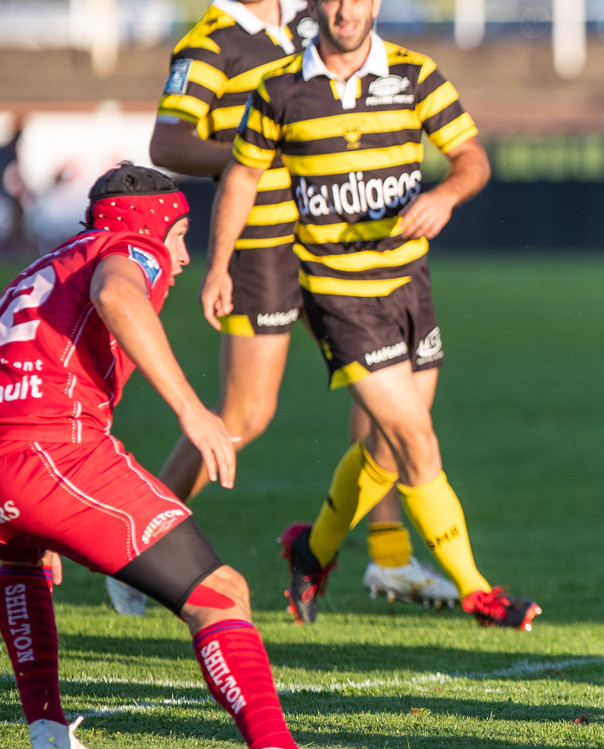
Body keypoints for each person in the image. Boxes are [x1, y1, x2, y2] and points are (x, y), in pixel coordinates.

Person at [0, 162, 356, 749]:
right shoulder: (131, 245)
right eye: (181, 234)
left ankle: (50, 740)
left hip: (15, 454)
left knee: (19, 567)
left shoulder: (45, 265)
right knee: (220, 594)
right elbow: (117, 294)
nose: (184, 256)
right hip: (55, 449)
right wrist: (194, 412)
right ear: (152, 224)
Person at [109, 0, 459, 617]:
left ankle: (389, 553)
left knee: (385, 401)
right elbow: (167, 143)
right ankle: (138, 546)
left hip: (338, 248)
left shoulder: (310, 25)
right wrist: (261, 152)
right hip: (265, 248)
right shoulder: (211, 41)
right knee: (245, 414)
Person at [204, 0, 540, 629]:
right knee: (416, 437)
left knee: (387, 448)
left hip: (409, 286)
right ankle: (479, 594)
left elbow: (473, 158)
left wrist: (444, 194)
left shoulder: (415, 75)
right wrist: (219, 264)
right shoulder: (279, 87)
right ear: (313, 6)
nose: (344, 9)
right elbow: (243, 178)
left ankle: (311, 551)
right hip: (336, 294)